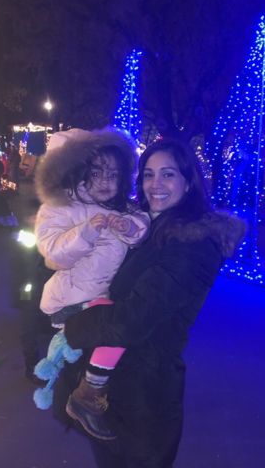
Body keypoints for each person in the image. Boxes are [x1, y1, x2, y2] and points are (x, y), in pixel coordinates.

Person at [53, 138, 246, 467]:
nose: (155, 184)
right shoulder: (149, 227)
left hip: (143, 398)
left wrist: (72, 326)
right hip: (114, 388)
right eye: (148, 174)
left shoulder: (193, 244)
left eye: (168, 174)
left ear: (188, 182)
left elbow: (132, 319)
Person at [33, 127, 150, 438]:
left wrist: (128, 227)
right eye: (96, 172)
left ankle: (79, 390)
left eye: (113, 174)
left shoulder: (119, 208)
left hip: (96, 296)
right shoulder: (62, 207)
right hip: (68, 302)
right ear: (78, 171)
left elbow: (142, 222)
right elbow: (53, 252)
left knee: (116, 328)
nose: (105, 181)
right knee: (119, 325)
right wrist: (85, 233)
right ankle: (87, 392)